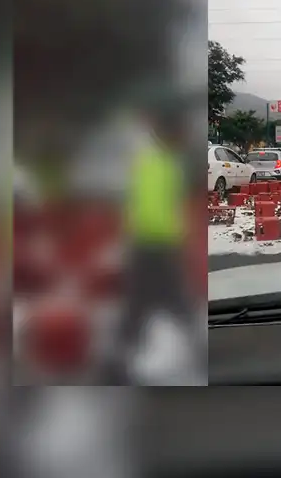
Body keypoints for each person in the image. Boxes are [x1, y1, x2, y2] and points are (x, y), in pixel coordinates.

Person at [115, 95, 209, 384]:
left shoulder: (162, 160)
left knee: (156, 302)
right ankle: (121, 354)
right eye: (180, 132)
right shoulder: (158, 160)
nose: (184, 137)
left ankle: (121, 353)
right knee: (156, 302)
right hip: (153, 245)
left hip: (154, 245)